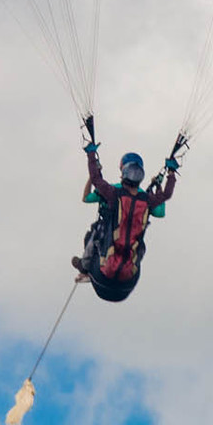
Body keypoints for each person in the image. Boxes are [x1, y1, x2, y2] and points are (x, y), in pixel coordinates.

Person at [74, 117, 181, 303]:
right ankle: (89, 269)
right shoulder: (147, 200)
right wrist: (169, 175)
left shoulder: (113, 193)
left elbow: (95, 180)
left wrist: (91, 156)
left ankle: (85, 268)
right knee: (141, 246)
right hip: (128, 283)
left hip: (103, 277)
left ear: (122, 171)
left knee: (95, 233)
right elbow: (165, 199)